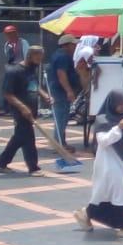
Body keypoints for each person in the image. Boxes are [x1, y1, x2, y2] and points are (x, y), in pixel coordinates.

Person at [73, 90, 123, 238]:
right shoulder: (103, 119)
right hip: (108, 162)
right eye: (120, 105)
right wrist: (118, 128)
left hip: (120, 161)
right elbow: (103, 141)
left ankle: (86, 213)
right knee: (120, 191)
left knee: (107, 194)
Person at [0, 46, 47, 176]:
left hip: (31, 110)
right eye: (37, 58)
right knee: (29, 138)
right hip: (20, 111)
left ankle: (1, 163)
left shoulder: (32, 69)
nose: (39, 61)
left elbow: (34, 86)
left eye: (41, 58)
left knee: (19, 138)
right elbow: (8, 94)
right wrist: (23, 108)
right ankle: (33, 168)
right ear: (29, 56)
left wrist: (44, 95)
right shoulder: (14, 71)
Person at [45, 35, 83, 171]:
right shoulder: (62, 57)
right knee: (60, 117)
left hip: (59, 90)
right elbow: (61, 74)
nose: (75, 46)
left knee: (62, 117)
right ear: (66, 45)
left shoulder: (61, 55)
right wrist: (69, 91)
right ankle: (59, 144)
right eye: (73, 44)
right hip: (60, 91)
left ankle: (61, 142)